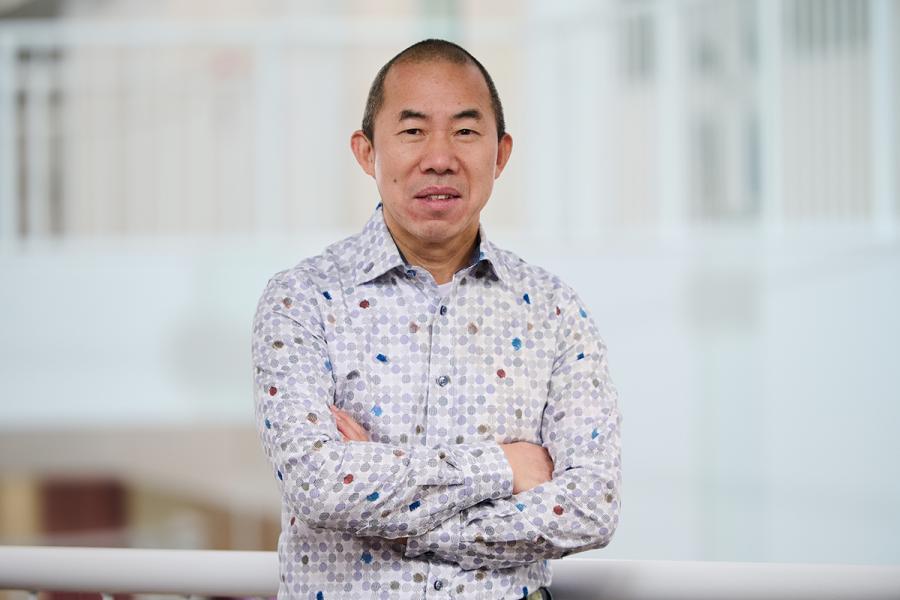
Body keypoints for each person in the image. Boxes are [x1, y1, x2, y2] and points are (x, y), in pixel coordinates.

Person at [252, 38, 621, 600]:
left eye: (466, 131)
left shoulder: (553, 310)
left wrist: (390, 508)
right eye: (413, 130)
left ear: (500, 154)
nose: (440, 156)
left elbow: (591, 506)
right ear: (366, 151)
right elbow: (318, 484)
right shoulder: (302, 300)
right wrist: (503, 467)